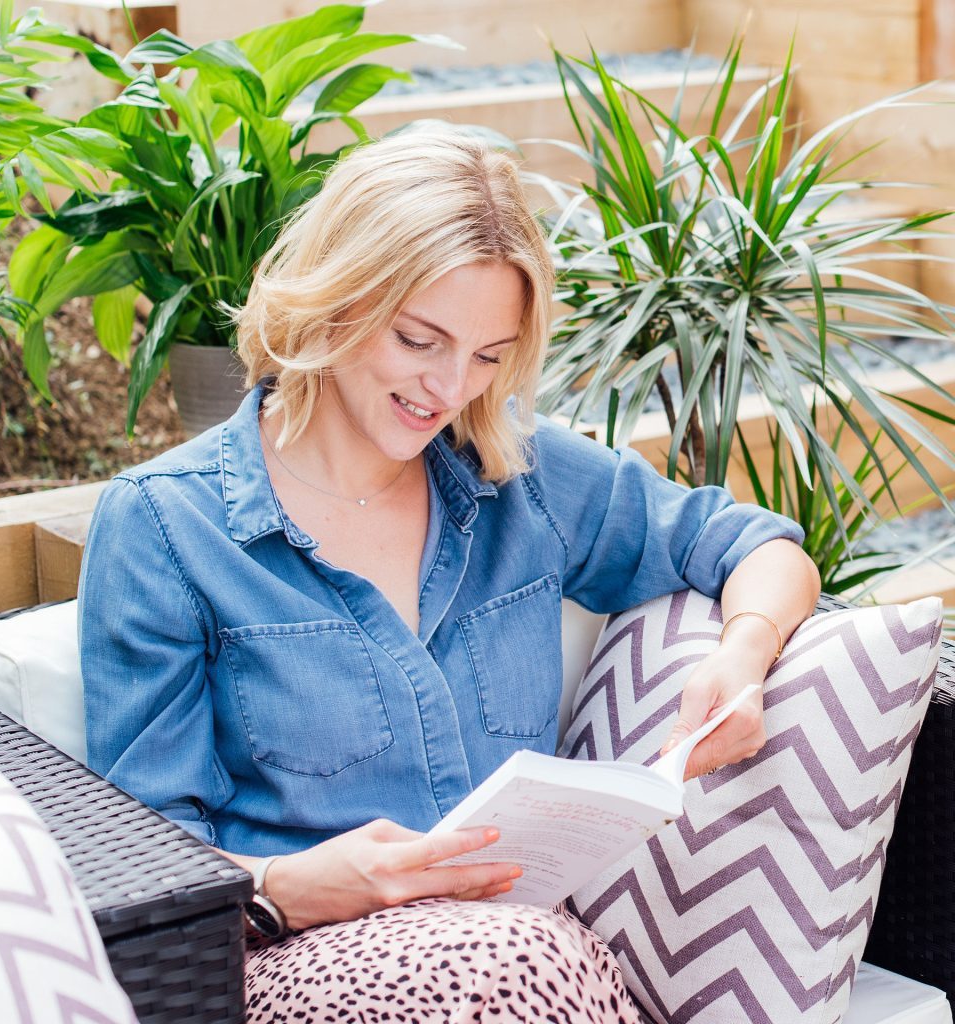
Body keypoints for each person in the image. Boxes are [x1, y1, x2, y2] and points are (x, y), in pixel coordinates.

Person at [79, 126, 821, 1023]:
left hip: (529, 957)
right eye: (419, 339)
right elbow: (139, 861)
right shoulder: (167, 524)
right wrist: (299, 881)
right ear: (339, 297)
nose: (448, 388)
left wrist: (742, 655)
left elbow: (759, 545)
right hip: (296, 959)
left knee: (519, 957)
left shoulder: (519, 477)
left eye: (488, 356)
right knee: (515, 961)